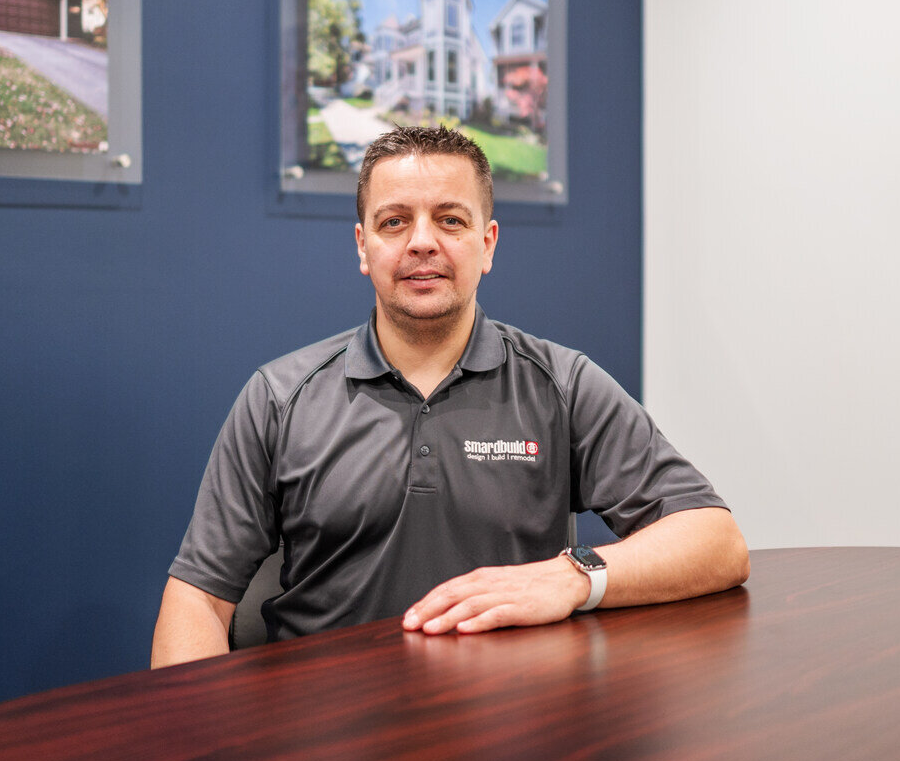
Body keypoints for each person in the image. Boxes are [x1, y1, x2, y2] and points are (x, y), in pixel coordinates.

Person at [151, 126, 747, 667]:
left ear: (487, 244)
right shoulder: (279, 398)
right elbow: (199, 597)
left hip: (513, 737)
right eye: (394, 222)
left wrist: (574, 575)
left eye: (450, 220)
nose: (421, 243)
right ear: (363, 247)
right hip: (324, 740)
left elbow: (715, 541)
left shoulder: (562, 385)